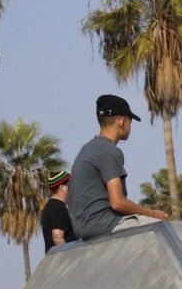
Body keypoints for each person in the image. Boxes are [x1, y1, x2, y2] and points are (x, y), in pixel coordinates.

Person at [67, 94, 166, 238]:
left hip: (81, 227)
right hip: (104, 223)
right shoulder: (109, 151)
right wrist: (153, 214)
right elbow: (118, 203)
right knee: (161, 228)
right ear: (122, 121)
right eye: (130, 121)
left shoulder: (87, 149)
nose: (130, 126)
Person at [39, 170, 74, 250]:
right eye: (70, 184)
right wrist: (70, 258)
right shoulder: (57, 208)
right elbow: (58, 238)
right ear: (62, 187)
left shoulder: (52, 206)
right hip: (64, 260)